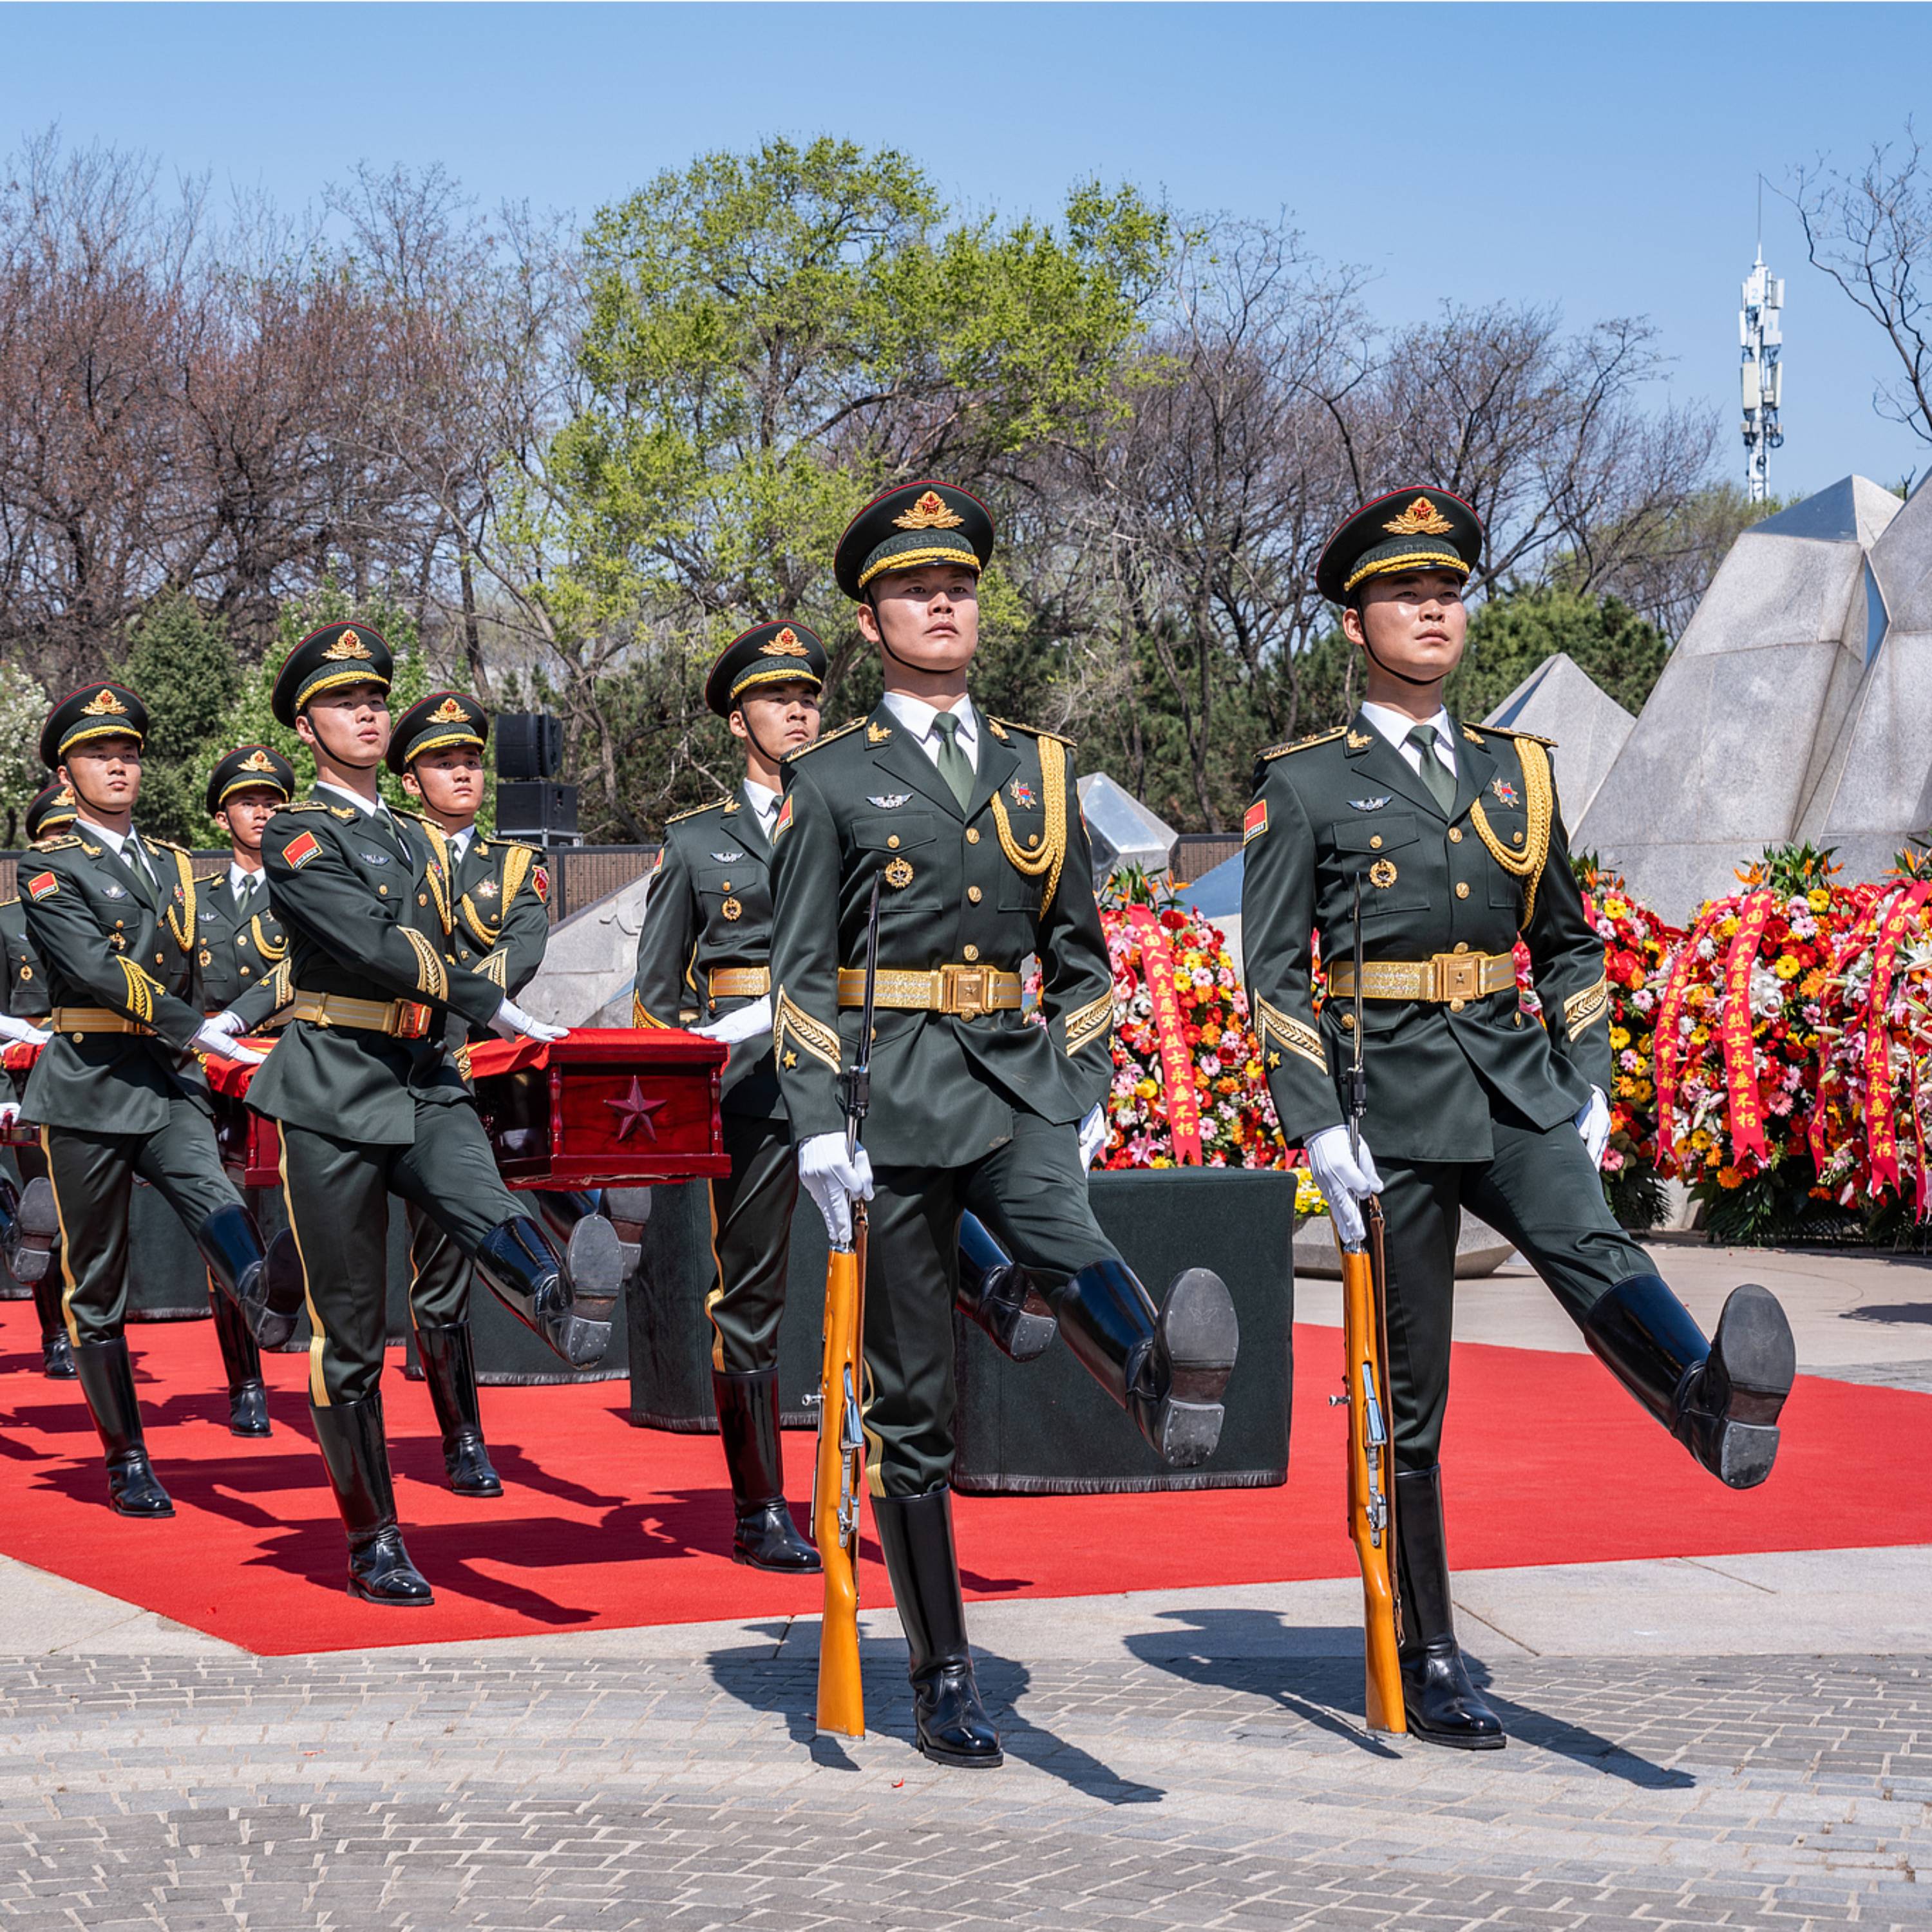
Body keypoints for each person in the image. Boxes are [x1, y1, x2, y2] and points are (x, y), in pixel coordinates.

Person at [1240, 486, 1798, 1751]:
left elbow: (1568, 943)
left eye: (1448, 591)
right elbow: (1273, 974)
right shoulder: (1307, 786)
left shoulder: (1520, 773)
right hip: (1386, 1096)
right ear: (1354, 622)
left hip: (1514, 1075)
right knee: (1414, 1390)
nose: (1435, 610)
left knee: (1597, 1247)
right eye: (1406, 593)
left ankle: (1708, 1404)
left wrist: (1590, 1076)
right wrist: (1318, 1126)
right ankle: (1431, 1648)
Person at [768, 481, 1240, 1767]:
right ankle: (942, 1670)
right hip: (887, 1089)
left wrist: (1078, 1089)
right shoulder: (832, 779)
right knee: (915, 1396)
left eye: (960, 587)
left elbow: (1082, 958)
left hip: (1014, 1077)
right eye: (917, 590)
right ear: (872, 625)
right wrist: (819, 1123)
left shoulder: (1041, 768)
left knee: (1058, 1224)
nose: (942, 604)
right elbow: (800, 971)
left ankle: (1157, 1377)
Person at [245, 623, 605, 1605]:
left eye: (374, 698)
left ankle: (559, 1291)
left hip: (425, 1066)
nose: (366, 713)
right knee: (352, 1334)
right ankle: (374, 1539)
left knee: (481, 1200)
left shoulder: (417, 839)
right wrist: (487, 999)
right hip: (334, 1081)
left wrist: (482, 995)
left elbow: (461, 935)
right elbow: (365, 943)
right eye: (344, 702)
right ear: (309, 727)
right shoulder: (293, 833)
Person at [17, 685, 284, 1517]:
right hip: (90, 1084)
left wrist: (227, 1026)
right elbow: (98, 972)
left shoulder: (174, 864)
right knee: (98, 1282)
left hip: (168, 1080)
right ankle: (125, 1456)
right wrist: (196, 1029)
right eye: (101, 755)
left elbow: (201, 965)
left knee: (212, 1191)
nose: (120, 765)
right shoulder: (48, 868)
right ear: (68, 774)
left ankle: (264, 1290)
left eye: (128, 752)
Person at [386, 688, 622, 1499]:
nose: (462, 774)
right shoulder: (388, 854)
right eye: (441, 762)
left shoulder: (516, 866)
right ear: (410, 778)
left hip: (484, 1065)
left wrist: (457, 995)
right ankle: (463, 1438)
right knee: (440, 1267)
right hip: (405, 1070)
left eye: (471, 761)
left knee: (535, 1174)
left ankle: (597, 1231)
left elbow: (522, 950)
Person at [191, 744, 302, 1435]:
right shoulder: (191, 901)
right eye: (246, 801)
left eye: (271, 801)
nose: (260, 812)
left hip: (294, 1064)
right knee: (230, 1221)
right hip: (215, 1076)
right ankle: (246, 1384)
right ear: (221, 816)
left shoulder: (309, 884)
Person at [1, 781, 79, 1375]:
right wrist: (28, 1034)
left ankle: (94, 1330)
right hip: (33, 1084)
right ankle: (56, 1334)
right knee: (43, 1214)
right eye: (55, 836)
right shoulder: (7, 921)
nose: (64, 846)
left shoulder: (116, 910)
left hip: (104, 1073)